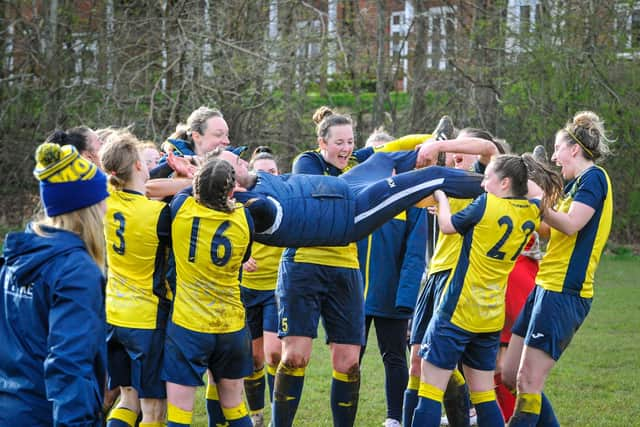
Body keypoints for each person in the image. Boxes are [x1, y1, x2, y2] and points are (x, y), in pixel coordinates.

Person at [410, 153, 563, 427]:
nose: (482, 184)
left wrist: (442, 199)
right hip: (490, 317)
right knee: (484, 397)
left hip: (457, 310)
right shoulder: (531, 211)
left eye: (488, 178)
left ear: (505, 183)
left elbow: (446, 226)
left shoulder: (486, 204)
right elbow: (538, 195)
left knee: (430, 392)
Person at [502, 111, 613, 427]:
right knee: (511, 374)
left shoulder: (594, 178)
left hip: (565, 292)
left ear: (574, 150)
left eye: (557, 149)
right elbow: (551, 229)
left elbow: (572, 224)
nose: (553, 156)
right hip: (544, 287)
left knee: (527, 382)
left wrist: (538, 201)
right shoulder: (575, 185)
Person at [0, 143, 109, 426]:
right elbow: (68, 363)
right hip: (47, 415)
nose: (108, 206)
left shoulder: (17, 257)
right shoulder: (76, 270)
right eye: (103, 198)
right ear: (89, 208)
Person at [405, 128, 504, 427]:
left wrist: (440, 143)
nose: (455, 151)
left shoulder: (486, 181)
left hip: (457, 279)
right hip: (434, 275)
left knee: (441, 369)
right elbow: (414, 200)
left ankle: (464, 416)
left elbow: (488, 146)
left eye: (463, 144)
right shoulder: (447, 181)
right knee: (417, 363)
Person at [161, 156, 255, 427]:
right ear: (230, 190)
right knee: (235, 408)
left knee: (179, 414)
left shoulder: (180, 207)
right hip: (231, 325)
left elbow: (181, 193)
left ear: (196, 186)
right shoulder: (244, 218)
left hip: (188, 325)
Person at [356, 128, 428, 427]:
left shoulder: (411, 200)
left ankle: (394, 418)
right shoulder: (353, 192)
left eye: (387, 157)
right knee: (348, 360)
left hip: (390, 296)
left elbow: (414, 256)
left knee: (395, 357)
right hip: (352, 294)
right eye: (373, 158)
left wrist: (405, 298)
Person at [100, 132, 171, 427]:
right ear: (140, 167)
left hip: (114, 315)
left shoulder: (104, 201)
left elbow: (139, 181)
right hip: (147, 318)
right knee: (153, 409)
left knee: (127, 400)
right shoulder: (157, 213)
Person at [240, 151, 285, 427]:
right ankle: (256, 415)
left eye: (272, 170)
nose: (267, 175)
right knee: (253, 357)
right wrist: (242, 257)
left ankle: (276, 414)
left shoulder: (286, 202)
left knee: (274, 353)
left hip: (276, 288)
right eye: (262, 171)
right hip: (247, 289)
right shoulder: (243, 203)